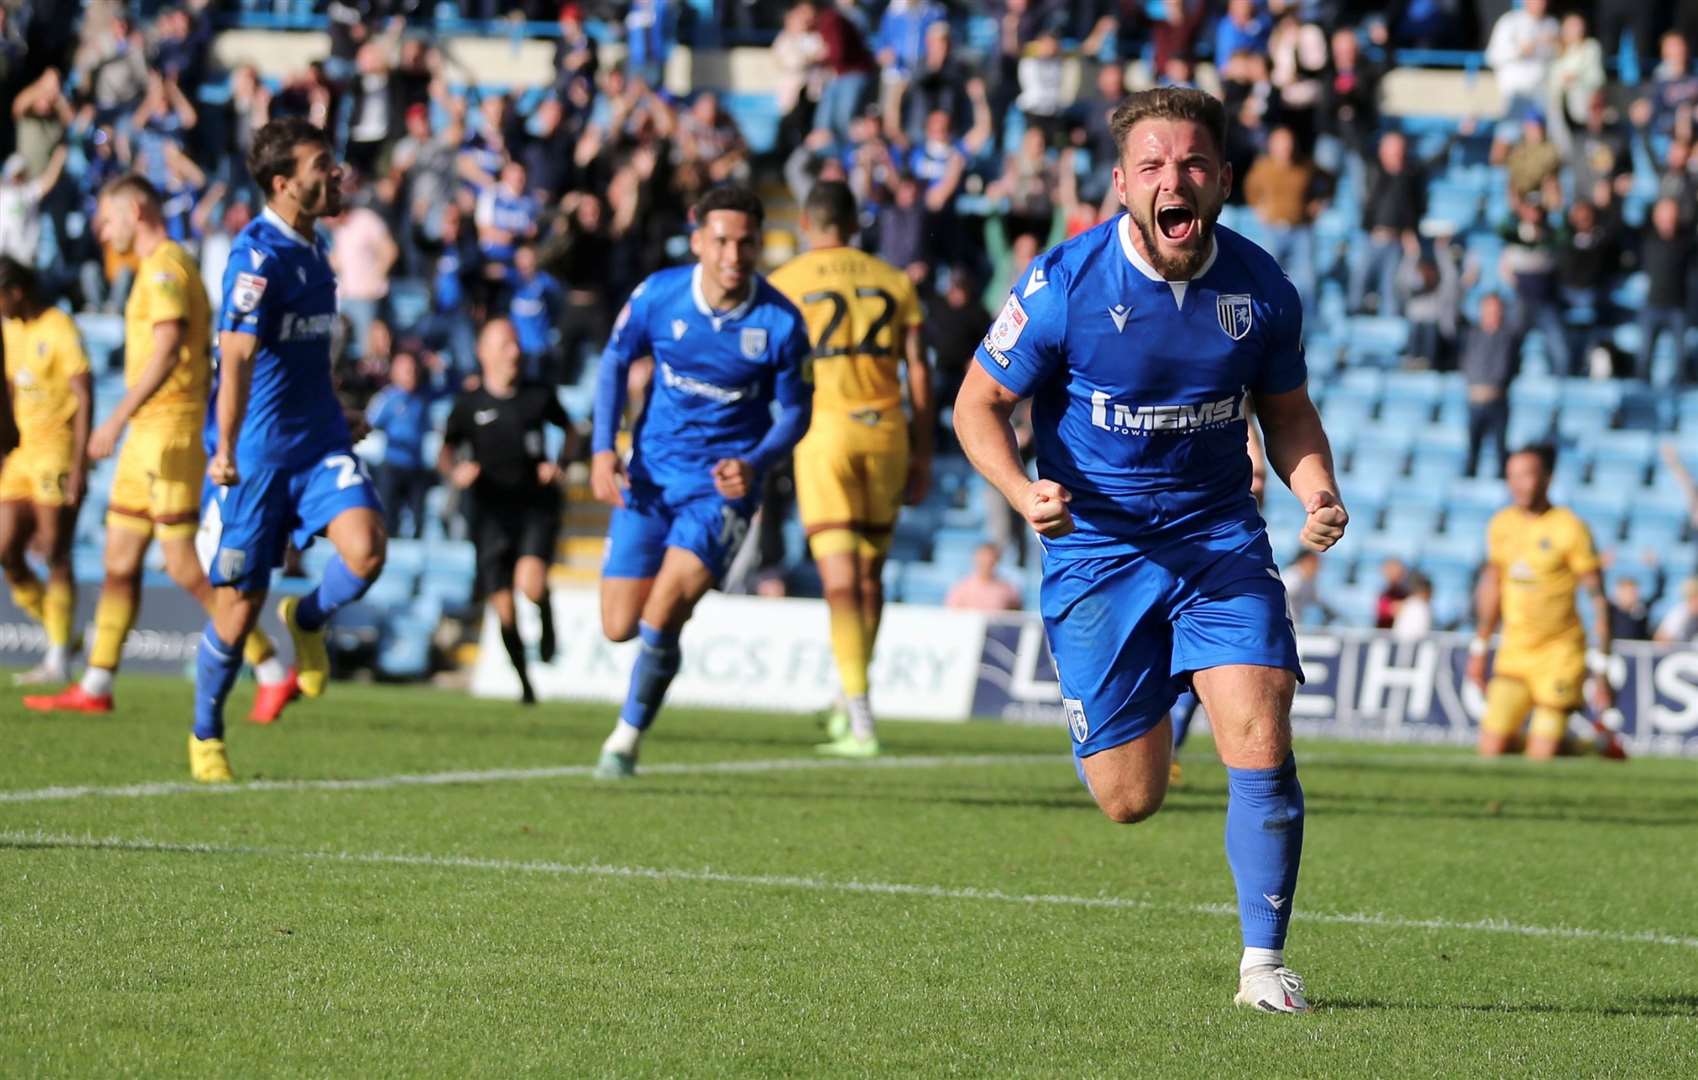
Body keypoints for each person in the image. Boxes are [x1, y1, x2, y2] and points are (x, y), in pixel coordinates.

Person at [952, 88, 1347, 1014]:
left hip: (1218, 538)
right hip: (1098, 552)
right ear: (1124, 184)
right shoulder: (1062, 285)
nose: (1177, 179)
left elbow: (1285, 415)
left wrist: (1317, 487)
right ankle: (1168, 685)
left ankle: (1263, 966)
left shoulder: (1261, 289)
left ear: (1222, 179)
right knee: (1130, 798)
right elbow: (976, 406)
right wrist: (1022, 492)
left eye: (1195, 163)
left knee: (1261, 725)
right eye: (1155, 165)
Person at [22, 176, 297, 719]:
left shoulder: (166, 266)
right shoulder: (150, 269)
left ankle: (270, 667)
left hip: (167, 431)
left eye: (108, 217)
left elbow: (169, 348)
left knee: (182, 566)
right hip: (146, 437)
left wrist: (115, 419)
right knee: (118, 560)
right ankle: (96, 685)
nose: (102, 229)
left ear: (136, 209)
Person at [589, 185, 812, 779]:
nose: (733, 254)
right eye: (721, 241)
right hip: (649, 479)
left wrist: (758, 460)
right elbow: (613, 362)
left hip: (721, 489)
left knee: (662, 611)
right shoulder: (658, 296)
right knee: (618, 625)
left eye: (746, 242)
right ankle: (660, 660)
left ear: (759, 245)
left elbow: (796, 412)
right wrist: (600, 449)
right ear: (698, 243)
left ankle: (624, 740)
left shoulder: (781, 322)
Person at [190, 118, 389, 783]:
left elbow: (300, 358)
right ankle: (206, 734)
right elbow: (237, 357)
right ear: (284, 183)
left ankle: (305, 618)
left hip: (320, 442)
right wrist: (224, 451)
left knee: (366, 551)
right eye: (321, 165)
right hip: (258, 458)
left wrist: (339, 410)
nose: (336, 174)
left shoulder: (314, 249)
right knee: (236, 607)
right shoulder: (257, 259)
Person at [768, 180, 930, 756]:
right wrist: (924, 448)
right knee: (869, 577)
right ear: (854, 225)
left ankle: (859, 715)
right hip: (886, 432)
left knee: (840, 582)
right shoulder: (892, 280)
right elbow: (918, 369)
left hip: (824, 431)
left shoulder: (785, 283)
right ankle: (850, 692)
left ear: (809, 224)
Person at [441, 318, 573, 705]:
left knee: (530, 583)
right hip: (489, 511)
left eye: (516, 344)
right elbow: (446, 451)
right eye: (504, 345)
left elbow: (571, 430)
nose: (514, 352)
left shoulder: (537, 394)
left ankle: (546, 613)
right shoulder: (469, 404)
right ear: (484, 353)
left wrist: (561, 462)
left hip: (534, 504)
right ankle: (525, 685)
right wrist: (456, 471)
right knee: (503, 607)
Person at [1468, 445, 1622, 761]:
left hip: (1560, 652)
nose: (1518, 484)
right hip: (1515, 650)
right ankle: (1592, 743)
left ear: (1547, 479)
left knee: (1542, 754)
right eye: (1511, 476)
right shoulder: (1501, 524)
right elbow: (1493, 586)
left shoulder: (1570, 528)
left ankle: (1591, 747)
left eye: (1526, 475)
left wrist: (1602, 668)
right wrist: (1480, 648)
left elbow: (1598, 600)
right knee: (1491, 748)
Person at [0, 257, 90, 685]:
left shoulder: (59, 327)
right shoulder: (12, 330)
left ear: (16, 291)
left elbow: (84, 391)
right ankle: (61, 632)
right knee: (5, 549)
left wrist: (80, 463)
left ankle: (58, 657)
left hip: (57, 450)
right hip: (22, 452)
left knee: (54, 551)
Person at [365, 349, 439, 540]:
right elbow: (369, 425)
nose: (410, 374)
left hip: (416, 467)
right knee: (389, 518)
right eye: (405, 369)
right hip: (392, 465)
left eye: (413, 369)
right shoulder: (387, 399)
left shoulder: (422, 400)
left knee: (419, 519)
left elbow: (430, 429)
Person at [944, 542, 1021, 611]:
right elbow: (951, 614)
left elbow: (1016, 616)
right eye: (983, 558)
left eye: (990, 558)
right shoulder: (961, 587)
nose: (987, 562)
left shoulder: (1007, 589)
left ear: (997, 560)